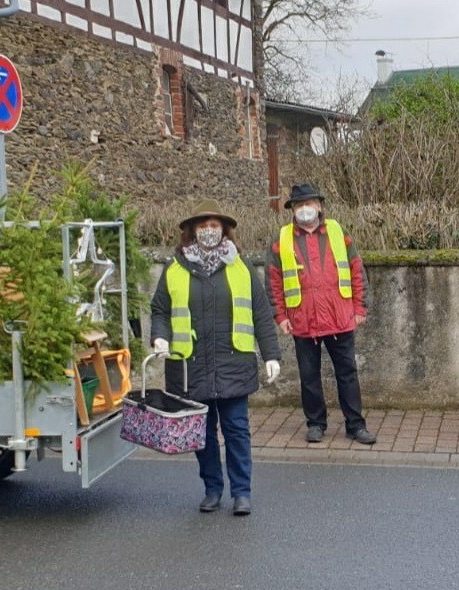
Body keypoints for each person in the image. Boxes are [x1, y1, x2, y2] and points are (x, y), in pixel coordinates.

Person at [150, 199, 281, 516]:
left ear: (224, 230)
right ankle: (212, 489)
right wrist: (159, 336)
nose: (209, 231)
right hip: (190, 367)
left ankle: (242, 492)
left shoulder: (241, 267)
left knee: (236, 429)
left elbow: (261, 313)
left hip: (233, 363)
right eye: (203, 226)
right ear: (192, 231)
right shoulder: (175, 268)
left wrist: (271, 355)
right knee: (202, 433)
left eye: (214, 226)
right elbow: (160, 310)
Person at [267, 183, 376, 445]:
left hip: (340, 318)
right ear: (292, 210)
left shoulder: (339, 233)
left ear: (319, 206)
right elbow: (273, 281)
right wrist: (279, 315)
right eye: (299, 205)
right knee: (309, 377)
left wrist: (360, 308)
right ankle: (315, 424)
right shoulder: (281, 241)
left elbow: (356, 271)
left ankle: (355, 425)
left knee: (347, 374)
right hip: (303, 320)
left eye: (309, 203)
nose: (304, 209)